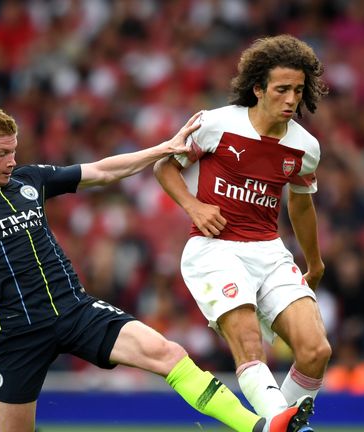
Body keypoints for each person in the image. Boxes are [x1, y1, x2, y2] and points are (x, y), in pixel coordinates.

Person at [0, 107, 315, 432]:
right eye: (1, 154)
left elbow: (101, 171)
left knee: (167, 353)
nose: (10, 161)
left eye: (13, 151)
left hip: (75, 311)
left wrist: (164, 148)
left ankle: (259, 426)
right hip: (17, 332)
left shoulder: (29, 179)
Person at [153, 34, 331, 425]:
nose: (290, 100)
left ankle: (273, 425)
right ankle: (281, 424)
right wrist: (194, 206)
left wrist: (314, 262)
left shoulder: (305, 147)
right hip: (215, 249)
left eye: (298, 91)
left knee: (316, 350)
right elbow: (164, 166)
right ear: (258, 88)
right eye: (282, 89)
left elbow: (301, 203)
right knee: (250, 344)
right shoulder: (215, 123)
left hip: (269, 251)